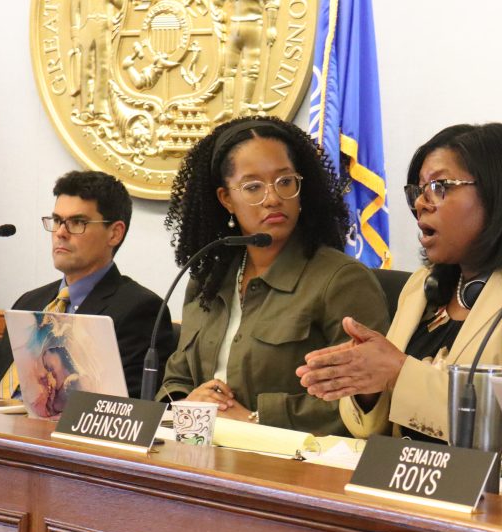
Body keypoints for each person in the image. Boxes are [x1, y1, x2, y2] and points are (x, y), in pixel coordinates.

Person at [296, 123, 502, 453]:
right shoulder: (423, 286)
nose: (421, 204)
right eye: (418, 191)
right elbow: (369, 428)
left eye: (440, 186)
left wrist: (399, 373)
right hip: (415, 484)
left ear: (499, 193)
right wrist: (367, 386)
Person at [158, 116, 389, 435]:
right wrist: (188, 403)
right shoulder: (208, 278)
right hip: (199, 450)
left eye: (285, 182)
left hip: (292, 464)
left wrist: (257, 419)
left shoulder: (341, 280)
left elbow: (364, 401)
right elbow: (175, 379)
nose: (273, 198)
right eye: (253, 187)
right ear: (226, 199)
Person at [0, 170, 174, 401]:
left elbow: (126, 407)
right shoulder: (28, 302)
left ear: (114, 233)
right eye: (57, 220)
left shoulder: (140, 310)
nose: (60, 233)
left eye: (77, 223)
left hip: (53, 435)